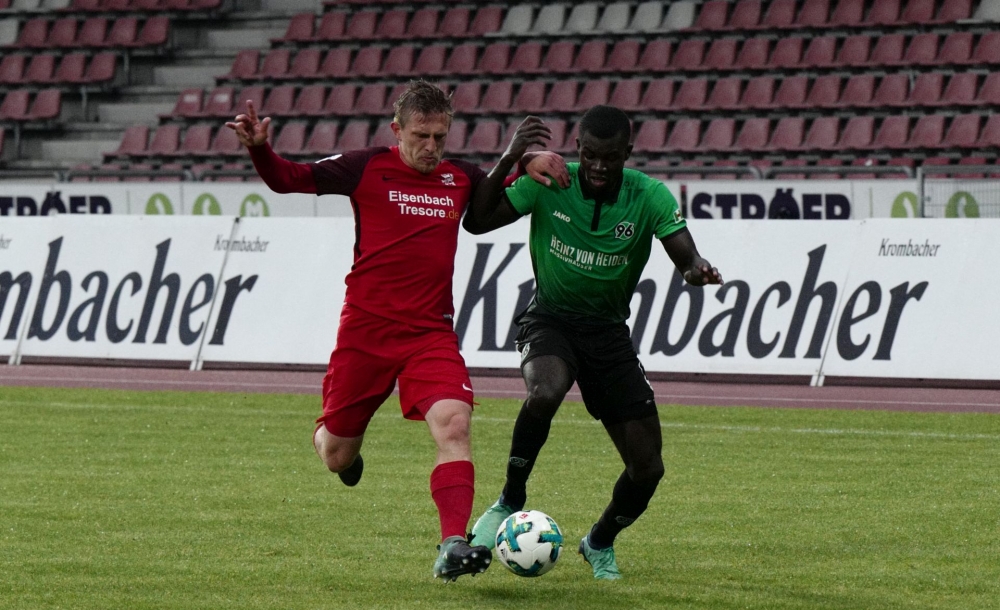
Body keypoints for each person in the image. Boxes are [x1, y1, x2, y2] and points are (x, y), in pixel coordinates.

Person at [225, 80, 562, 582]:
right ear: (397, 130)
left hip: (429, 333)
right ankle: (334, 446)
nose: (431, 148)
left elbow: (495, 188)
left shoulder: (458, 178)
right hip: (366, 333)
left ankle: (453, 543)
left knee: (455, 423)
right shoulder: (364, 167)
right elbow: (289, 178)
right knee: (337, 454)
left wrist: (525, 160)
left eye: (440, 138)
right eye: (421, 136)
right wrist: (260, 150)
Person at [463, 105, 724, 580]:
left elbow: (685, 254)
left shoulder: (648, 195)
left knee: (648, 469)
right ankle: (510, 499)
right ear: (578, 149)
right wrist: (511, 157)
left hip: (608, 335)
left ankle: (598, 541)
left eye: (611, 157)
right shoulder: (549, 181)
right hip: (551, 320)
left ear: (629, 152)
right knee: (545, 392)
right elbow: (476, 221)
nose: (599, 167)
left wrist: (695, 270)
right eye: (591, 155)